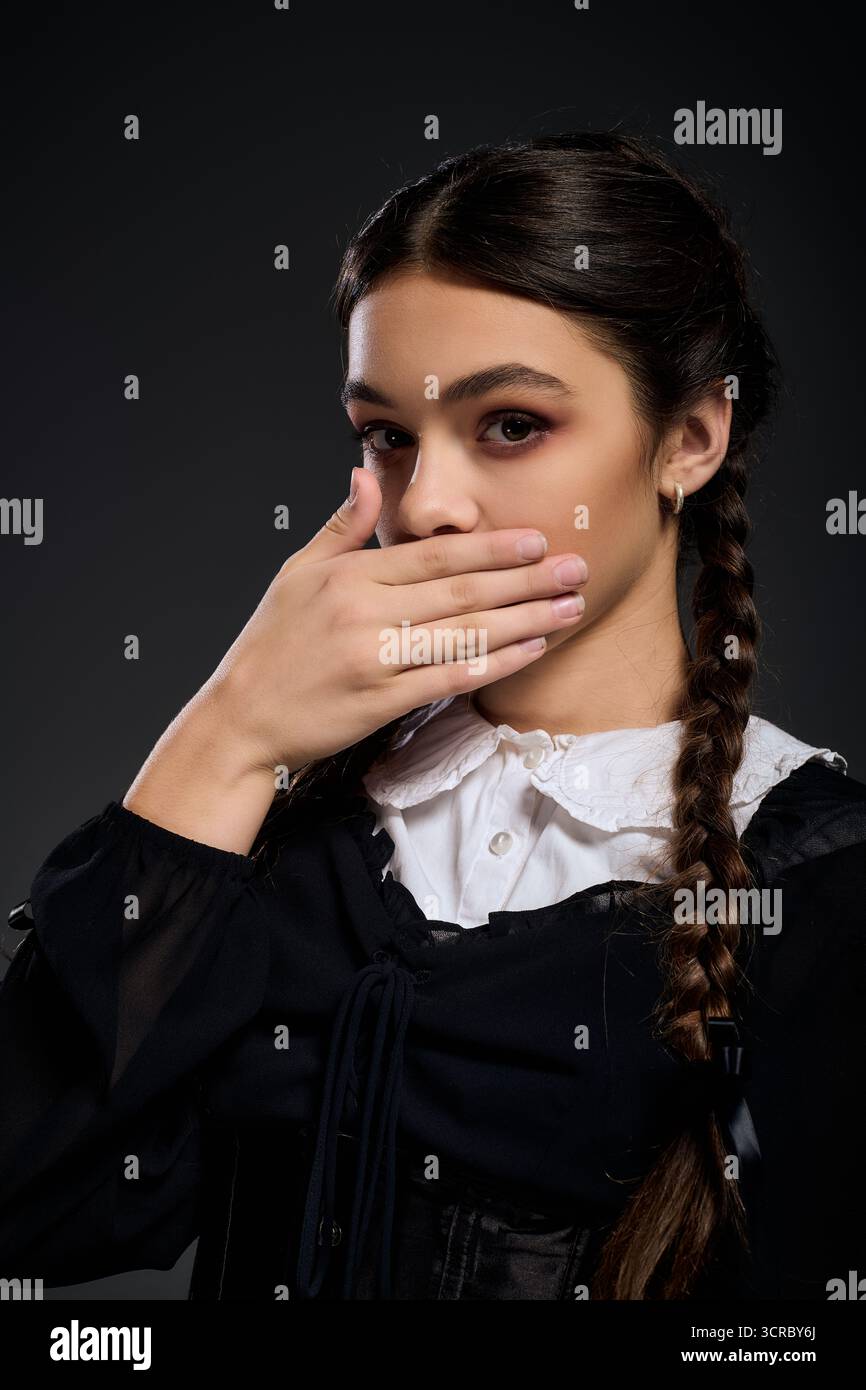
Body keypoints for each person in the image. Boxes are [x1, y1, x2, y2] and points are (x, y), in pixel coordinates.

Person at [1, 131, 864, 1301]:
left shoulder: (819, 883)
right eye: (386, 437)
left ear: (689, 438)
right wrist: (230, 727)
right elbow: (30, 1206)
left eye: (509, 423)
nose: (428, 504)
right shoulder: (287, 834)